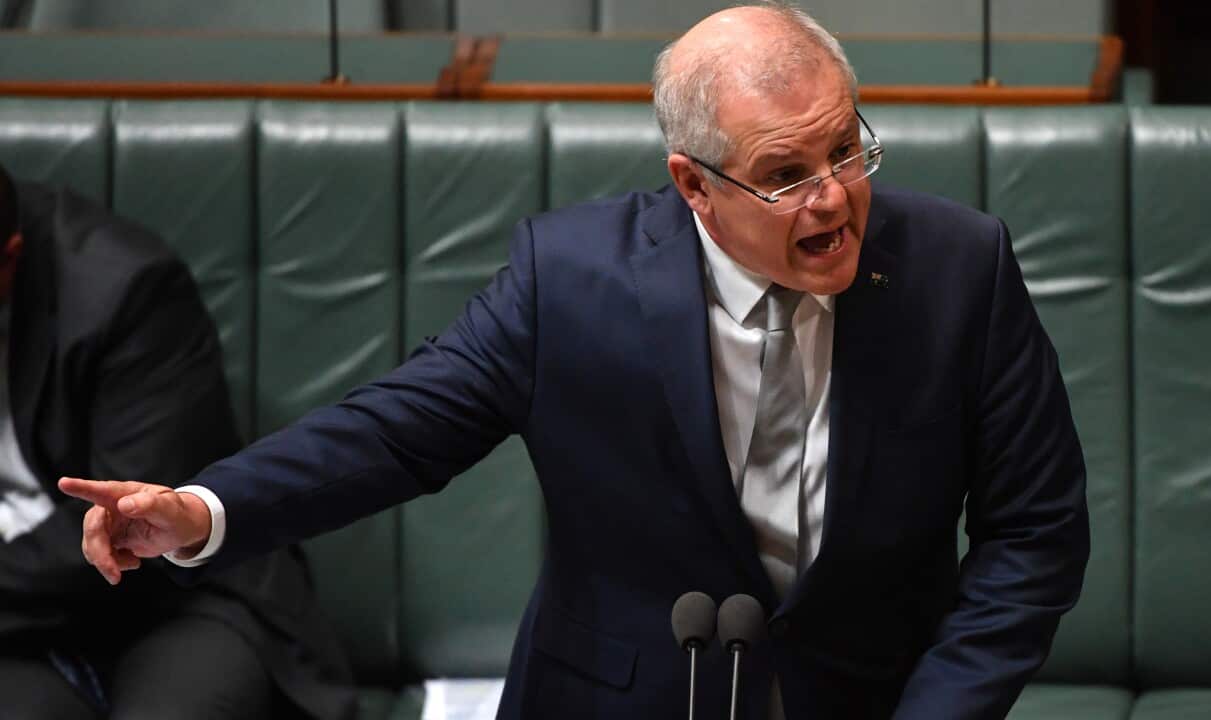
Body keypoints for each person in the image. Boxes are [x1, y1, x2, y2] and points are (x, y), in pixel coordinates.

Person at [63, 3, 1089, 719]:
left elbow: (1034, 536)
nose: (831, 199)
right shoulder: (570, 279)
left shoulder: (960, 268)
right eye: (784, 175)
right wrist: (202, 512)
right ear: (693, 185)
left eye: (844, 151)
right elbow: (398, 430)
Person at [0, 166, 355, 719]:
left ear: (9, 259)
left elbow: (121, 525)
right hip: (21, 628)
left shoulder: (121, 290)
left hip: (175, 594)